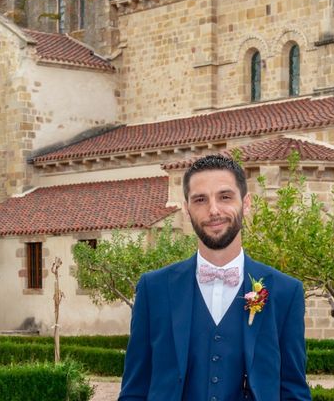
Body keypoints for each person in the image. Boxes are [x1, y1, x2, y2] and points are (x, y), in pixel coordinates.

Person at [118, 154, 311, 401]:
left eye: (225, 196)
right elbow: (134, 391)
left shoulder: (286, 292)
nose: (213, 210)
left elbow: (294, 391)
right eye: (200, 200)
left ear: (247, 203)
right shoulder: (152, 289)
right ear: (187, 210)